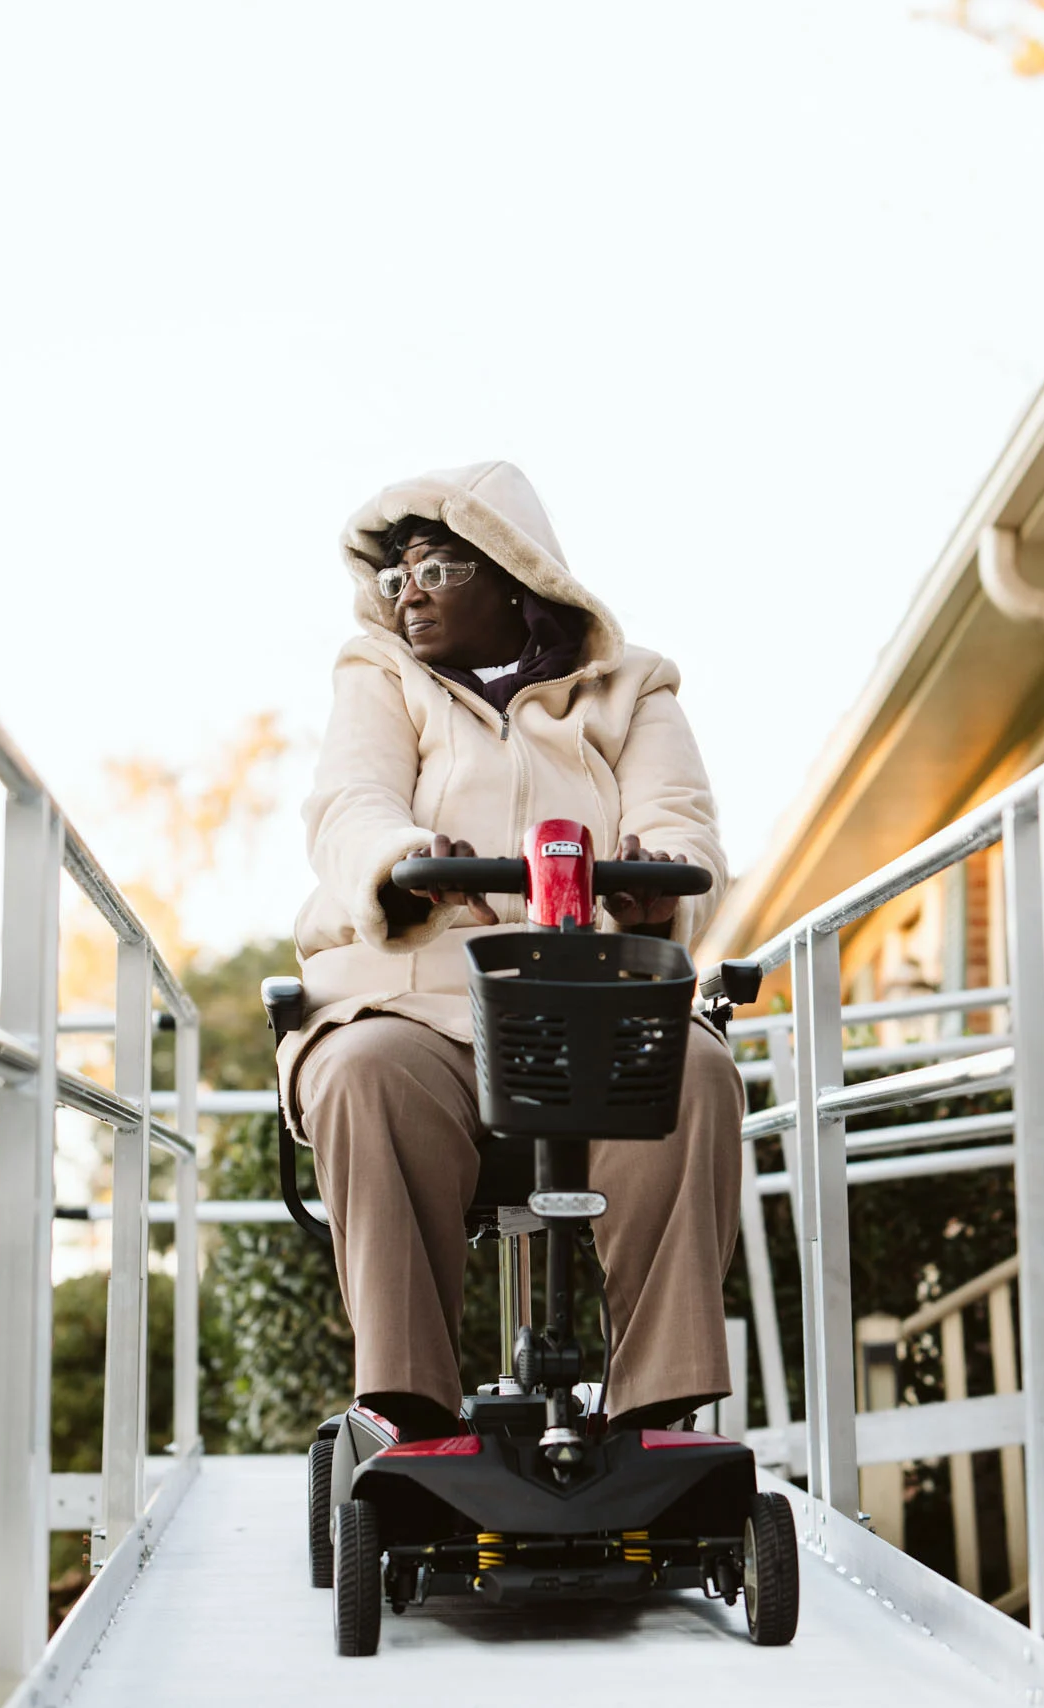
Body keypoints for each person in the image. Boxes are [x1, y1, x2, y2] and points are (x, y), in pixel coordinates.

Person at [278, 459, 743, 1441]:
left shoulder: (631, 689)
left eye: (436, 568)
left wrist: (659, 874)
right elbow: (348, 805)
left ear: (511, 571)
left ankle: (660, 1409)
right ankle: (410, 1409)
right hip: (410, 1004)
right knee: (365, 1069)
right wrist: (408, 859)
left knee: (695, 1069)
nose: (406, 590)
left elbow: (679, 816)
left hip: (589, 1002)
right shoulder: (380, 679)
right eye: (395, 574)